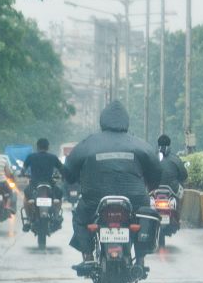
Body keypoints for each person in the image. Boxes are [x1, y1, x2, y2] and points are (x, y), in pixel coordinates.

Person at [62, 101, 161, 267]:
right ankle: (141, 258)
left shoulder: (88, 143)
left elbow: (69, 170)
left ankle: (87, 255)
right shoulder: (141, 145)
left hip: (95, 198)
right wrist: (151, 187)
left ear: (103, 121)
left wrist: (74, 181)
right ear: (126, 122)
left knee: (80, 218)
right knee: (145, 217)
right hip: (134, 198)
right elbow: (156, 172)